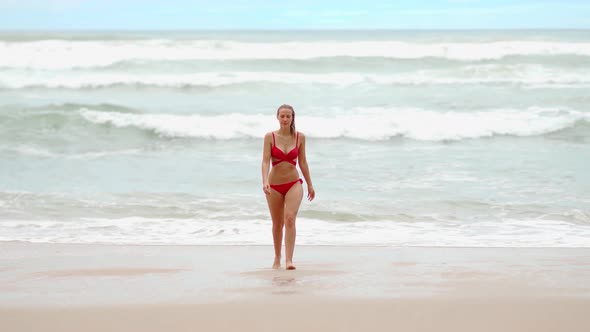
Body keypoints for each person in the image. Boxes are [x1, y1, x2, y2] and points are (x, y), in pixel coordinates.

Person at [261, 104, 315, 270]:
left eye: (288, 116)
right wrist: (265, 181)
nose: (285, 119)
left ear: (292, 118)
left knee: (290, 218)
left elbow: (303, 162)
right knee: (277, 224)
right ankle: (277, 258)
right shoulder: (270, 137)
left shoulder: (300, 137)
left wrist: (310, 184)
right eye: (282, 116)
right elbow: (264, 161)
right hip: (274, 185)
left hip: (294, 183)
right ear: (277, 117)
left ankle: (289, 260)